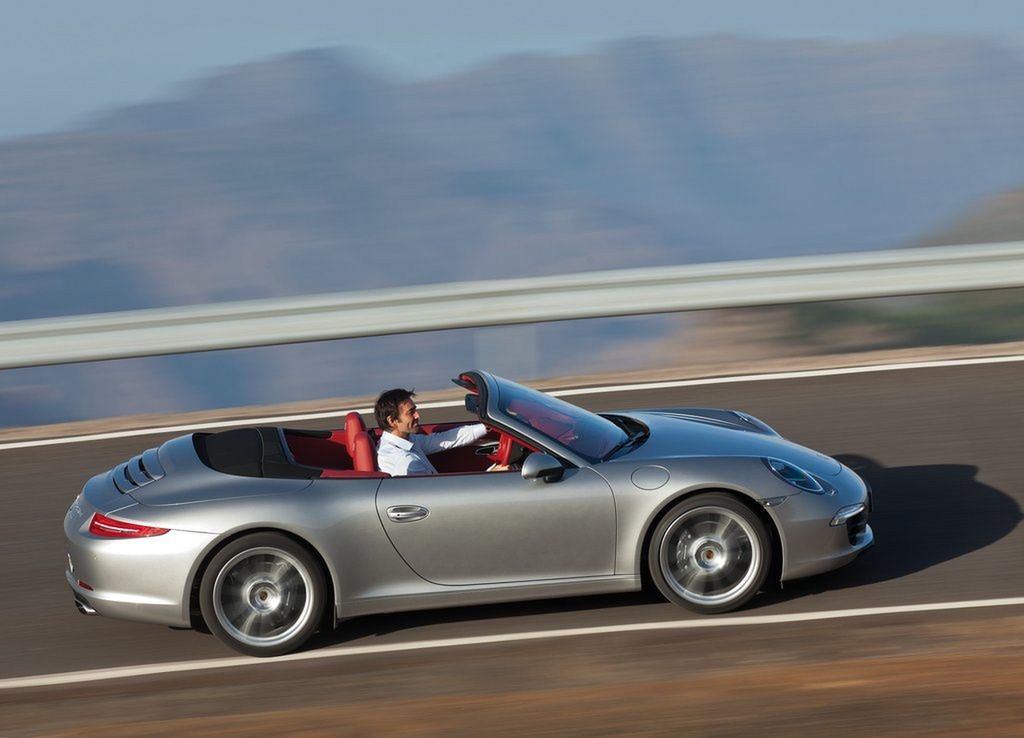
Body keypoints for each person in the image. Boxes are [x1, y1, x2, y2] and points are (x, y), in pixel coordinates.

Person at [374, 388, 508, 476]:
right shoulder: (404, 461)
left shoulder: (406, 440)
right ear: (392, 421)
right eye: (411, 413)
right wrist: (490, 475)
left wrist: (486, 427)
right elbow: (442, 493)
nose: (417, 416)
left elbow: (446, 439)